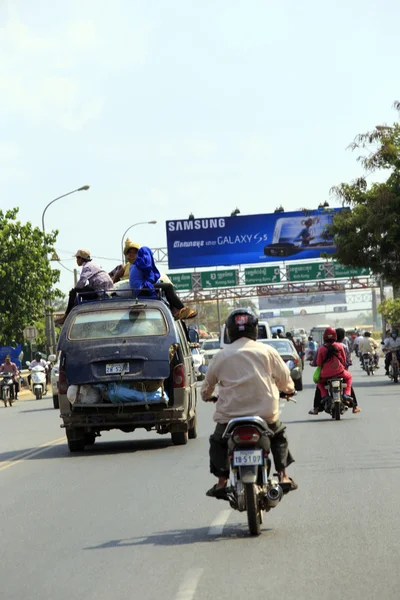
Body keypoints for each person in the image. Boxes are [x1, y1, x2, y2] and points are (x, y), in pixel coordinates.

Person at [201, 308, 298, 498]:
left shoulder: (221, 355)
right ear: (254, 329)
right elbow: (285, 379)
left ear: (230, 330)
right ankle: (284, 477)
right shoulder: (267, 351)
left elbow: (207, 386)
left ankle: (221, 482)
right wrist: (289, 391)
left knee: (218, 441)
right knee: (278, 435)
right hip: (265, 414)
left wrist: (207, 396)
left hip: (230, 417)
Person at [129, 246, 197, 320]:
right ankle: (182, 309)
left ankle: (175, 311)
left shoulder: (134, 265)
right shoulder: (143, 263)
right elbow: (151, 278)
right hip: (142, 290)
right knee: (168, 287)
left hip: (137, 291)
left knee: (163, 288)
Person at [55, 249, 113, 325]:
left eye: (77, 258)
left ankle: (66, 316)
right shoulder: (95, 264)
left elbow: (82, 281)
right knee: (83, 290)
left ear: (81, 258)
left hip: (99, 290)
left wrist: (75, 290)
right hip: (108, 289)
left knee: (74, 292)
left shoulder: (87, 266)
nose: (76, 261)